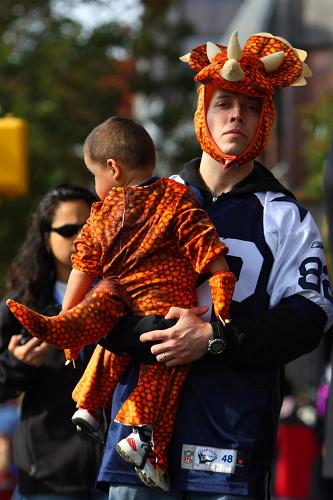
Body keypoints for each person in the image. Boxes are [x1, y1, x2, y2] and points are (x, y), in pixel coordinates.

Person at [94, 31, 333, 499]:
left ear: (266, 119)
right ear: (201, 112)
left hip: (230, 437)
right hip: (136, 437)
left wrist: (215, 340)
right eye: (224, 103)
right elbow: (100, 308)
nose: (236, 116)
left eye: (250, 106)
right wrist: (164, 335)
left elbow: (312, 316)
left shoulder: (288, 216)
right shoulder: (141, 202)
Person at [7, 117, 236, 492]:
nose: (95, 187)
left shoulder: (104, 212)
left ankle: (88, 404)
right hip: (168, 308)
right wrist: (223, 309)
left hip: (118, 302)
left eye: (93, 174)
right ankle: (143, 438)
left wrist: (67, 319)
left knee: (106, 344)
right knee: (164, 376)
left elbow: (82, 267)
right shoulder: (178, 199)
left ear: (113, 169)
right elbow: (211, 256)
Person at [0, 183, 108, 500]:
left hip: (122, 474)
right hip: (50, 480)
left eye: (88, 226)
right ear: (46, 239)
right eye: (67, 229)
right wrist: (17, 365)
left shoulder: (130, 296)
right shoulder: (23, 307)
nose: (79, 236)